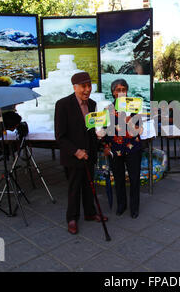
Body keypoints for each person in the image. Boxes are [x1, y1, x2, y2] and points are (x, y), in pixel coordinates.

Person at [54, 71, 108, 235]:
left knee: (89, 186)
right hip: (73, 157)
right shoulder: (63, 104)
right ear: (75, 87)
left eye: (89, 86)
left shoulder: (92, 104)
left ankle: (90, 213)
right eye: (83, 86)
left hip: (89, 154)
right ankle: (72, 218)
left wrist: (100, 140)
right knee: (74, 188)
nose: (87, 90)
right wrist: (76, 151)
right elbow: (60, 136)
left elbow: (92, 130)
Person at [102, 79, 143, 219]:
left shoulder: (134, 107)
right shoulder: (108, 110)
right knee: (118, 178)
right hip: (115, 149)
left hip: (133, 149)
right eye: (118, 90)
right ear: (113, 92)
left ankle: (134, 208)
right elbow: (104, 131)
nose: (121, 92)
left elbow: (140, 130)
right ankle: (121, 205)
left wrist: (130, 123)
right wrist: (105, 147)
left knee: (134, 178)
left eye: (123, 89)